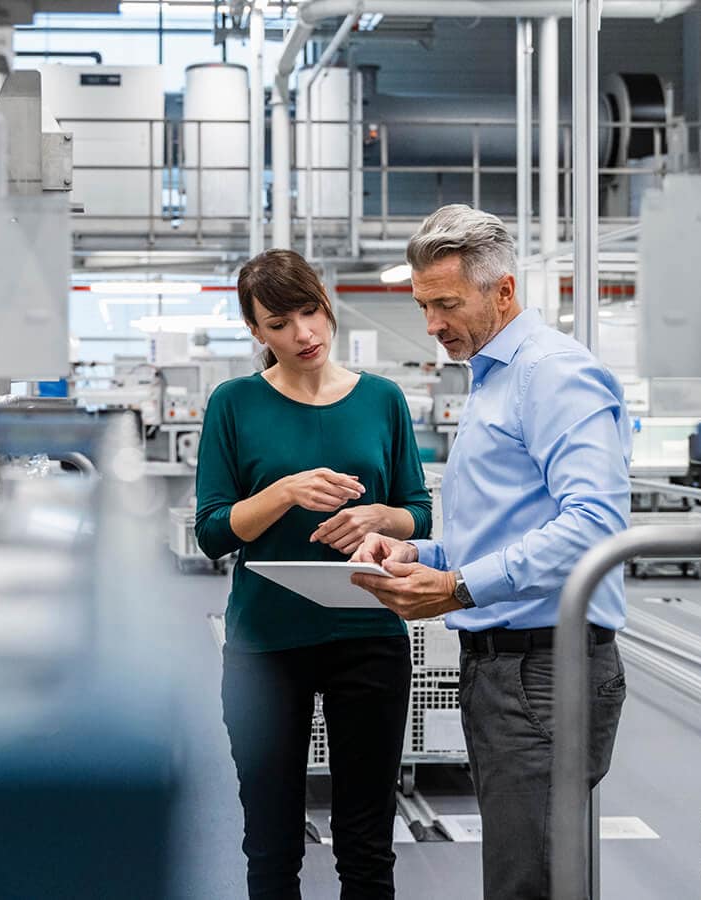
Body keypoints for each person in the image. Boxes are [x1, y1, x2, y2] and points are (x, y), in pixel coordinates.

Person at [350, 205, 631, 900]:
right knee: (530, 875)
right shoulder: (492, 375)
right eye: (423, 305)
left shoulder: (551, 374)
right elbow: (499, 532)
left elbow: (596, 521)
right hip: (508, 669)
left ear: (503, 291)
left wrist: (460, 589)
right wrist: (423, 553)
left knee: (528, 883)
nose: (433, 324)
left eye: (446, 304)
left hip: (544, 669)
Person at [194, 248, 432, 900]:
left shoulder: (382, 400)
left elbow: (418, 511)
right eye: (279, 323)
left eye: (310, 311)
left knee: (366, 845)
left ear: (326, 304)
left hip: (369, 635)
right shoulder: (234, 404)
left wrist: (382, 517)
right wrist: (284, 491)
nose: (303, 333)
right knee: (271, 845)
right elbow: (213, 531)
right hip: (267, 645)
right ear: (256, 331)